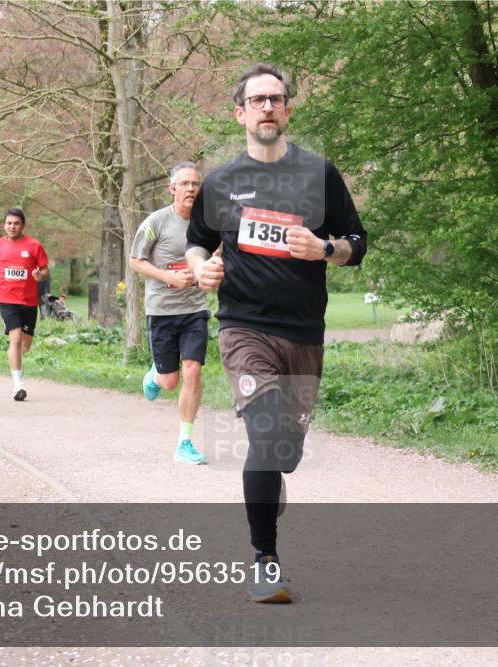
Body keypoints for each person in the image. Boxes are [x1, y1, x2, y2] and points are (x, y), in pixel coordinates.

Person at [185, 63, 368, 603]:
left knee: (282, 451)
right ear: (240, 112)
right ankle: (265, 559)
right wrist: (200, 267)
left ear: (288, 109)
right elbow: (197, 241)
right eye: (257, 99)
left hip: (304, 333)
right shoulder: (220, 181)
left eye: (276, 98)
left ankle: (272, 478)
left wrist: (327, 248)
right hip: (244, 328)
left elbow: (358, 240)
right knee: (265, 440)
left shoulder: (318, 174)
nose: (267, 107)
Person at [129, 162, 210, 465]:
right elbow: (136, 261)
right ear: (172, 188)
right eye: (185, 184)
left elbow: (217, 253)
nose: (191, 189)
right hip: (162, 311)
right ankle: (155, 373)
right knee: (170, 381)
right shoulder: (156, 222)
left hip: (195, 309)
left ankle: (184, 442)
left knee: (193, 370)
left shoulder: (206, 223)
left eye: (195, 184)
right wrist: (170, 278)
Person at [0, 208, 50, 401]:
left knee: (25, 346)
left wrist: (39, 275)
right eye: (9, 223)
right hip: (7, 301)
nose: (12, 227)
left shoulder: (34, 246)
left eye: (16, 223)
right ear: (4, 225)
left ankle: (15, 359)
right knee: (16, 339)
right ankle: (17, 385)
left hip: (29, 302)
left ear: (23, 225)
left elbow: (46, 272)